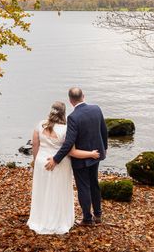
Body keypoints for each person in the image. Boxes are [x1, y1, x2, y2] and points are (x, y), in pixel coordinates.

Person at [27, 101, 100, 234]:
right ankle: (58, 220)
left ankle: (40, 219)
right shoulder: (66, 129)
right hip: (59, 163)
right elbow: (71, 151)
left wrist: (36, 161)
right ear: (64, 113)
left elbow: (35, 146)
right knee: (58, 192)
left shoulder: (40, 124)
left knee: (42, 191)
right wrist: (91, 154)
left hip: (42, 161)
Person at [45, 87, 108, 226]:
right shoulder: (96, 109)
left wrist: (56, 159)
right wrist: (105, 148)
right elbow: (104, 130)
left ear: (70, 101)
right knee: (94, 184)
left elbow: (69, 143)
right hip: (96, 155)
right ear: (83, 96)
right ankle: (98, 215)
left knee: (84, 187)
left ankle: (87, 219)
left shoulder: (73, 117)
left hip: (81, 159)